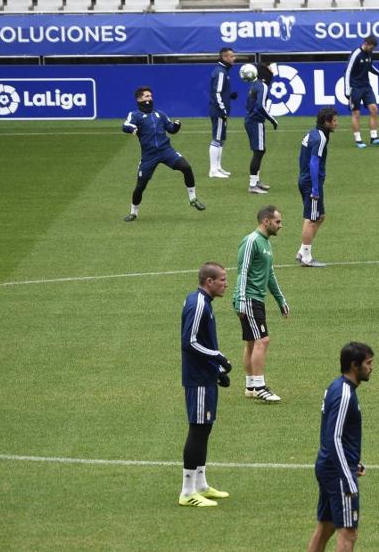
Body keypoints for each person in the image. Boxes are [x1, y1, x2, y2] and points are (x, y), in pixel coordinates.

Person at [297, 342, 379, 552]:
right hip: (337, 471)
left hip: (330, 466)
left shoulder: (337, 387)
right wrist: (348, 474)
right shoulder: (345, 394)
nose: (372, 367)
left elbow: (338, 438)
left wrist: (354, 462)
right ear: (354, 366)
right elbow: (333, 437)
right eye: (368, 363)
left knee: (326, 526)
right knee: (349, 532)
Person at [179, 262, 233, 507]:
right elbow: (189, 342)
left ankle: (200, 484)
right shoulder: (198, 304)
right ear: (208, 281)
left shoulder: (202, 302)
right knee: (198, 430)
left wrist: (217, 370)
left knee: (205, 429)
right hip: (198, 380)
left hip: (206, 376)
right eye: (222, 279)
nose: (225, 283)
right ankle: (187, 491)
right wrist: (218, 358)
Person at [121, 86, 205, 222]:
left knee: (186, 167)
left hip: (166, 151)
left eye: (151, 96)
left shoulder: (159, 114)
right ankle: (133, 212)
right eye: (147, 96)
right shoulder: (135, 115)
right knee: (140, 187)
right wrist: (132, 128)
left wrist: (177, 126)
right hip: (149, 156)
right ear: (139, 99)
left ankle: (193, 198)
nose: (150, 99)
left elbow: (171, 129)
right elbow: (125, 126)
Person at [232, 205, 289, 403]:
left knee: (251, 342)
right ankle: (259, 386)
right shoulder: (251, 241)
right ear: (266, 221)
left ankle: (250, 385)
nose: (281, 226)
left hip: (256, 298)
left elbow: (269, 275)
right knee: (262, 340)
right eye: (278, 221)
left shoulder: (266, 243)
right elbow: (243, 270)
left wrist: (280, 299)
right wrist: (240, 300)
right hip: (248, 298)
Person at [295, 107, 337, 269]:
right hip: (311, 182)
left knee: (320, 216)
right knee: (312, 218)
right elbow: (314, 162)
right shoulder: (320, 138)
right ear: (326, 122)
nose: (336, 124)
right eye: (334, 121)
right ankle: (306, 257)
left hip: (306, 179)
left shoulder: (313, 133)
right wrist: (315, 188)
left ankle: (302, 251)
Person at [343, 36, 379, 149]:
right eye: (371, 47)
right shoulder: (356, 53)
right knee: (356, 114)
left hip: (366, 87)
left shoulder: (369, 54)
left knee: (374, 109)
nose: (372, 50)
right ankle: (358, 140)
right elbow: (348, 71)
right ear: (366, 43)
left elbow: (370, 67)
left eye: (373, 48)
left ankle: (374, 138)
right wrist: (347, 89)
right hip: (355, 88)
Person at [245, 63, 278, 195]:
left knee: (260, 151)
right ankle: (253, 185)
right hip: (255, 121)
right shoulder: (262, 86)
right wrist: (272, 119)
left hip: (252, 120)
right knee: (258, 152)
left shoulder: (255, 84)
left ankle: (256, 181)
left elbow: (248, 105)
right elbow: (260, 106)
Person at [207, 46, 237, 178]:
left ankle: (218, 167)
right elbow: (216, 93)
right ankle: (213, 170)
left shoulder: (223, 71)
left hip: (220, 110)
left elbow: (221, 92)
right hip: (218, 111)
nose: (234, 58)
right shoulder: (221, 72)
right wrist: (223, 108)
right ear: (224, 57)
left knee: (221, 139)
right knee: (217, 138)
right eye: (231, 56)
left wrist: (229, 96)